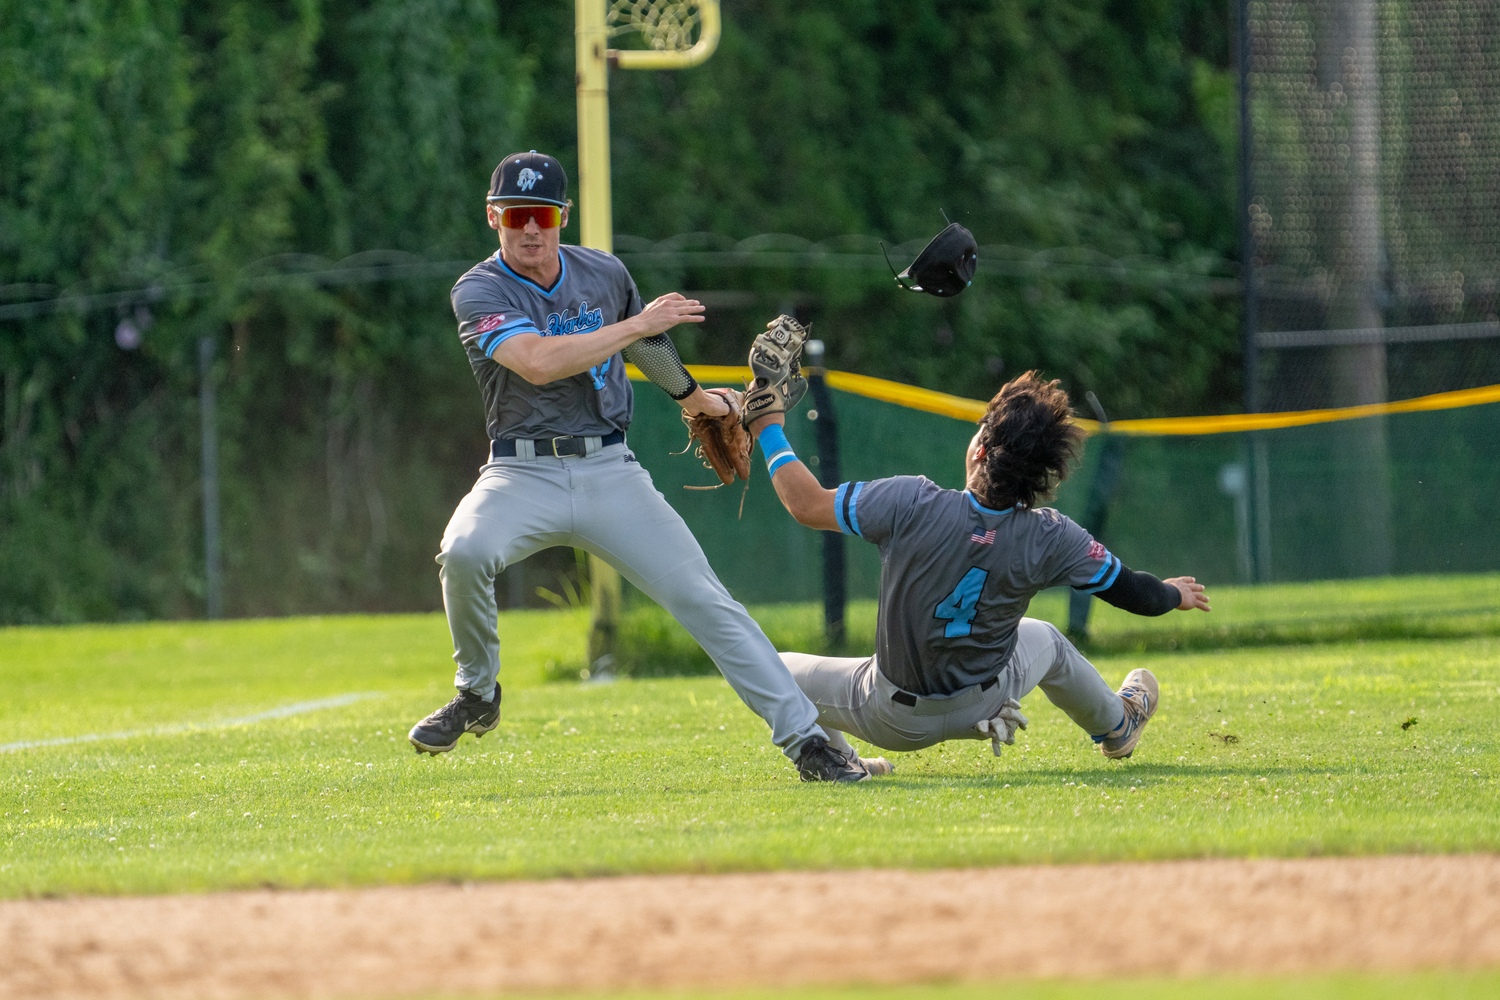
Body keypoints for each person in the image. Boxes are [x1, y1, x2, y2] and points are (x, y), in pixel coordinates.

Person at [407, 151, 865, 782]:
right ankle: (478, 691)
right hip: (521, 472)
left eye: (542, 214)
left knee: (706, 601)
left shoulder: (603, 272)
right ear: (494, 217)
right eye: (517, 215)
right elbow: (537, 361)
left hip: (609, 469)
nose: (531, 229)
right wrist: (635, 325)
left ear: (562, 216)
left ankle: (807, 742)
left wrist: (698, 400)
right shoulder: (478, 288)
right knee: (463, 552)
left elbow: (650, 347)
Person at [748, 369, 1211, 768]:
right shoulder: (1052, 534)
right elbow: (1136, 594)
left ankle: (840, 762)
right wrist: (1172, 594)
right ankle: (1118, 724)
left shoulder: (910, 501)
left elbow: (806, 505)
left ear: (982, 451)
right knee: (1047, 639)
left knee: (771, 669)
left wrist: (767, 425)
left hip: (893, 716)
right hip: (987, 702)